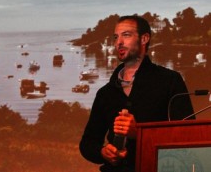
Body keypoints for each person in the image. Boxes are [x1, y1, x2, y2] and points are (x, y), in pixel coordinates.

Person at [79, 15, 195, 172]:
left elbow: (188, 135)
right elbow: (88, 144)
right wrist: (103, 153)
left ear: (144, 38)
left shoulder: (170, 81)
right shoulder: (105, 93)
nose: (118, 42)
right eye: (116, 37)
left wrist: (140, 133)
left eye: (126, 35)